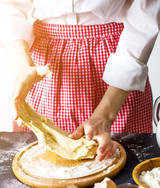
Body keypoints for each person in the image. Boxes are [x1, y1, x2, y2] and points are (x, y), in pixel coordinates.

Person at [0, 0, 160, 161]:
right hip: (44, 65)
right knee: (42, 164)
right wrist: (23, 65)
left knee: (122, 168)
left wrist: (106, 115)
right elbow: (10, 6)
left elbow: (145, 15)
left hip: (119, 66)